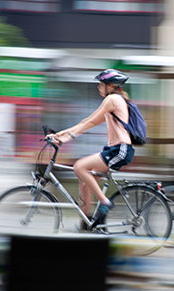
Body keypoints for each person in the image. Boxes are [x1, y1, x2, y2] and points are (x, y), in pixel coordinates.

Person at [47, 69, 135, 230]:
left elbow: (90, 123)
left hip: (120, 150)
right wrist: (60, 134)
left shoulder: (113, 99)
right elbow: (88, 121)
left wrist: (67, 138)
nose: (98, 87)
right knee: (85, 184)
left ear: (110, 86)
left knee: (79, 166)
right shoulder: (113, 101)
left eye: (100, 84)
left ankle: (105, 202)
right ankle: (86, 225)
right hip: (114, 149)